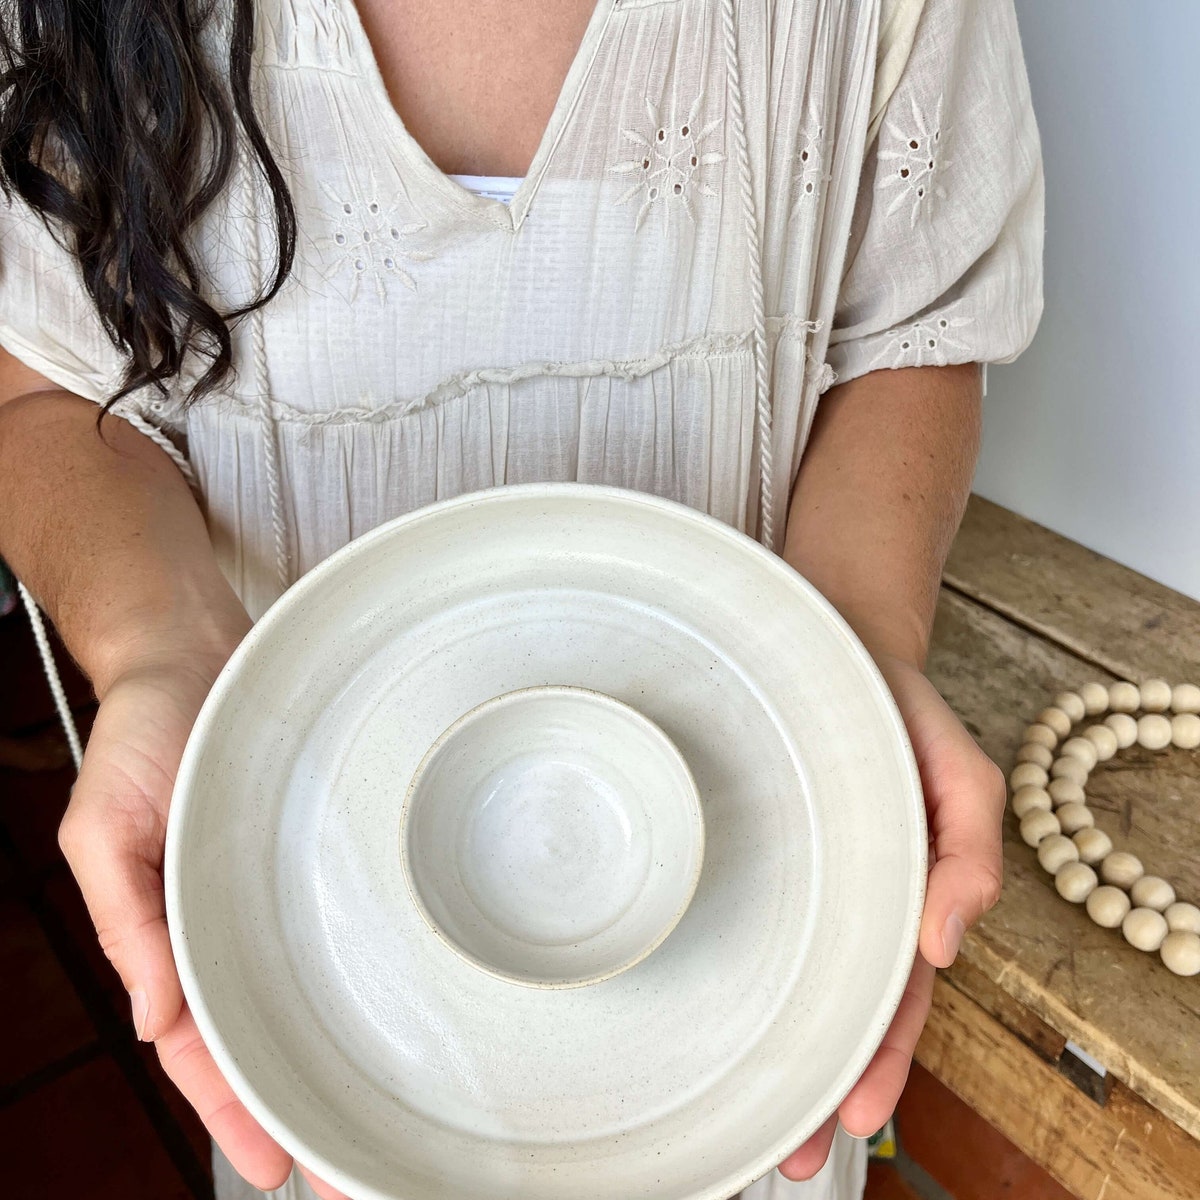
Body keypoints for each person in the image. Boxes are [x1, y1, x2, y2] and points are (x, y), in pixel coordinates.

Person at [0, 0, 1042, 1196]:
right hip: (315, 975)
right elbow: (49, 393)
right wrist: (159, 647)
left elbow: (907, 335)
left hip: (758, 960)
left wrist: (847, 657)